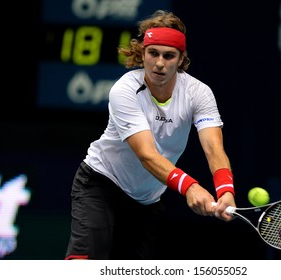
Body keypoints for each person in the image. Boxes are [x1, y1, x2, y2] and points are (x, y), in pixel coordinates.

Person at [65, 9, 236, 260]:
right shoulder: (124, 90)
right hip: (101, 183)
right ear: (142, 53)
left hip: (146, 201)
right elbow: (147, 155)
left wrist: (226, 190)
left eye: (169, 56)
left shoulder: (199, 93)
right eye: (152, 53)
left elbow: (213, 148)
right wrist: (190, 187)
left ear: (181, 59)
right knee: (83, 263)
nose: (159, 63)